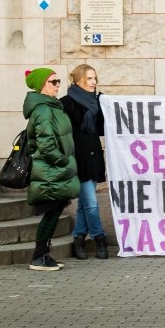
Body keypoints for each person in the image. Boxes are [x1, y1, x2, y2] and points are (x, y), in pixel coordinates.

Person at [23, 67, 80, 271]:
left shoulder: (51, 107)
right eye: (53, 82)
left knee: (54, 212)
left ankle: (43, 255)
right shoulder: (44, 110)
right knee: (51, 212)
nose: (57, 86)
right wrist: (62, 161)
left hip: (54, 171)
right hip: (50, 171)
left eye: (58, 82)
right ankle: (38, 257)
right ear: (41, 86)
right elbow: (46, 144)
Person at [60, 64, 109, 260]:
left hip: (93, 156)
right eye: (89, 78)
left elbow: (100, 129)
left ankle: (78, 238)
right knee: (91, 204)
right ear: (79, 80)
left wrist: (105, 106)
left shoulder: (95, 101)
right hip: (78, 159)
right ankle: (99, 239)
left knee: (83, 205)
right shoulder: (67, 102)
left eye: (95, 78)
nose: (94, 82)